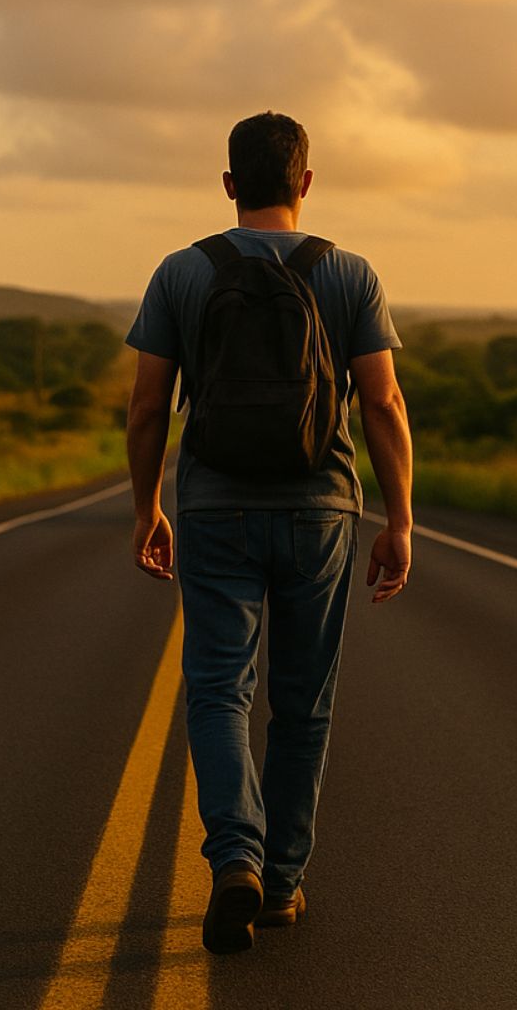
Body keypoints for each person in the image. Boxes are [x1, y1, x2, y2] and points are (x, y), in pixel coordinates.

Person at [124, 110, 415, 954]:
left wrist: (148, 509)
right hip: (322, 510)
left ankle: (236, 861)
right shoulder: (349, 273)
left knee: (218, 691)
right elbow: (385, 404)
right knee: (302, 704)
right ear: (306, 183)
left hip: (214, 506)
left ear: (227, 185)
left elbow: (148, 409)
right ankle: (283, 883)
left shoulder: (183, 272)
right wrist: (398, 519)